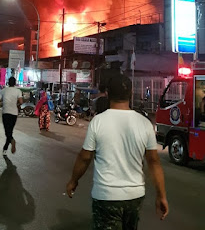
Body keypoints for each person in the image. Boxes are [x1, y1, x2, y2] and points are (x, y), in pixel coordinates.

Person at [66, 74, 168, 229]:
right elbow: (153, 162)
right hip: (135, 196)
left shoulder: (98, 122)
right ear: (131, 93)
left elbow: (85, 157)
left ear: (107, 93)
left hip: (106, 195)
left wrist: (74, 180)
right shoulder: (145, 124)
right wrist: (161, 195)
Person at [0, 77, 23, 156]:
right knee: (10, 131)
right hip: (14, 113)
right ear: (15, 83)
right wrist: (16, 104)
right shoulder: (18, 91)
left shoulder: (3, 90)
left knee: (7, 132)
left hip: (6, 112)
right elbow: (21, 101)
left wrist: (3, 104)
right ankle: (5, 148)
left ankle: (11, 141)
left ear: (8, 83)